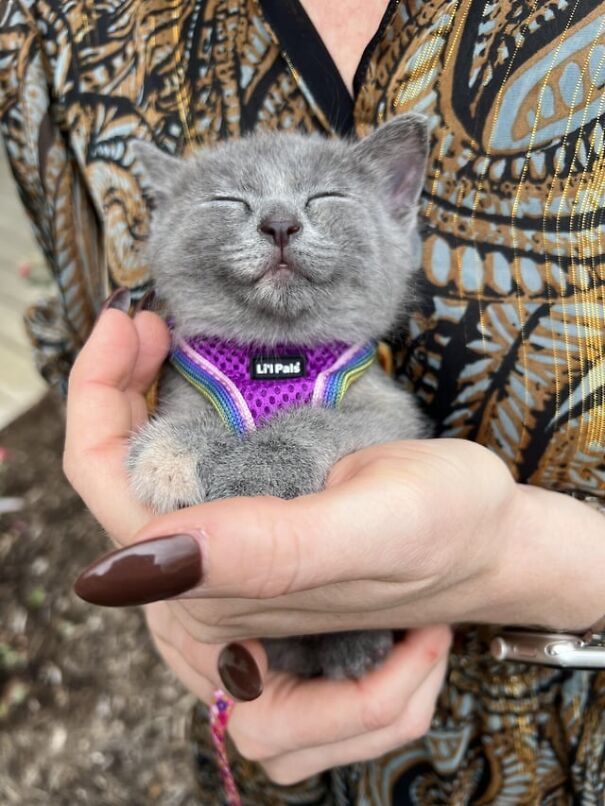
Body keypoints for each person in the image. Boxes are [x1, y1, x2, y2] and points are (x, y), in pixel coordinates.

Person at [2, 0, 604, 801]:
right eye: (227, 205)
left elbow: (369, 428)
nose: (282, 220)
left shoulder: (348, 379)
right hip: (257, 725)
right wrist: (169, 582)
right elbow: (91, 357)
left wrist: (525, 558)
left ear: (398, 200)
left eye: (326, 204)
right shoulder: (52, 23)